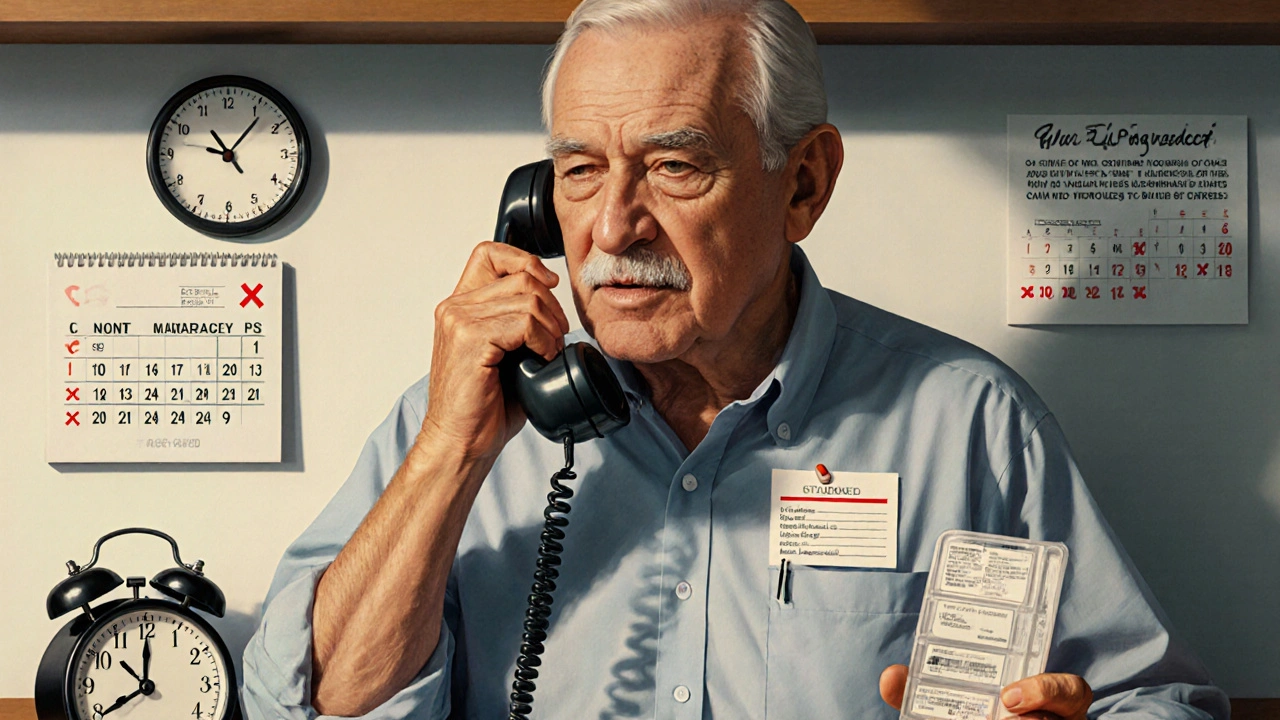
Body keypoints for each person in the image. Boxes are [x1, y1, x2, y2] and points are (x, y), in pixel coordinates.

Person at [241, 1, 1230, 718]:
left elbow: (1151, 699)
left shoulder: (964, 422)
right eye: (580, 170)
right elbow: (318, 703)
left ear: (802, 185)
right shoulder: (462, 419)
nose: (613, 225)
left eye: (674, 165)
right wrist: (451, 452)